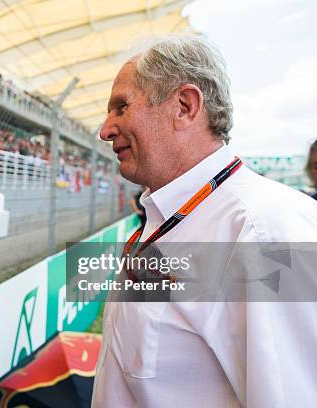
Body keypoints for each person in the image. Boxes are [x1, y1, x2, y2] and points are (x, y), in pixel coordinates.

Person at [92, 35, 317, 407]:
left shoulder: (263, 230)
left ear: (184, 106)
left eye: (121, 107)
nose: (105, 129)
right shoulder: (171, 213)